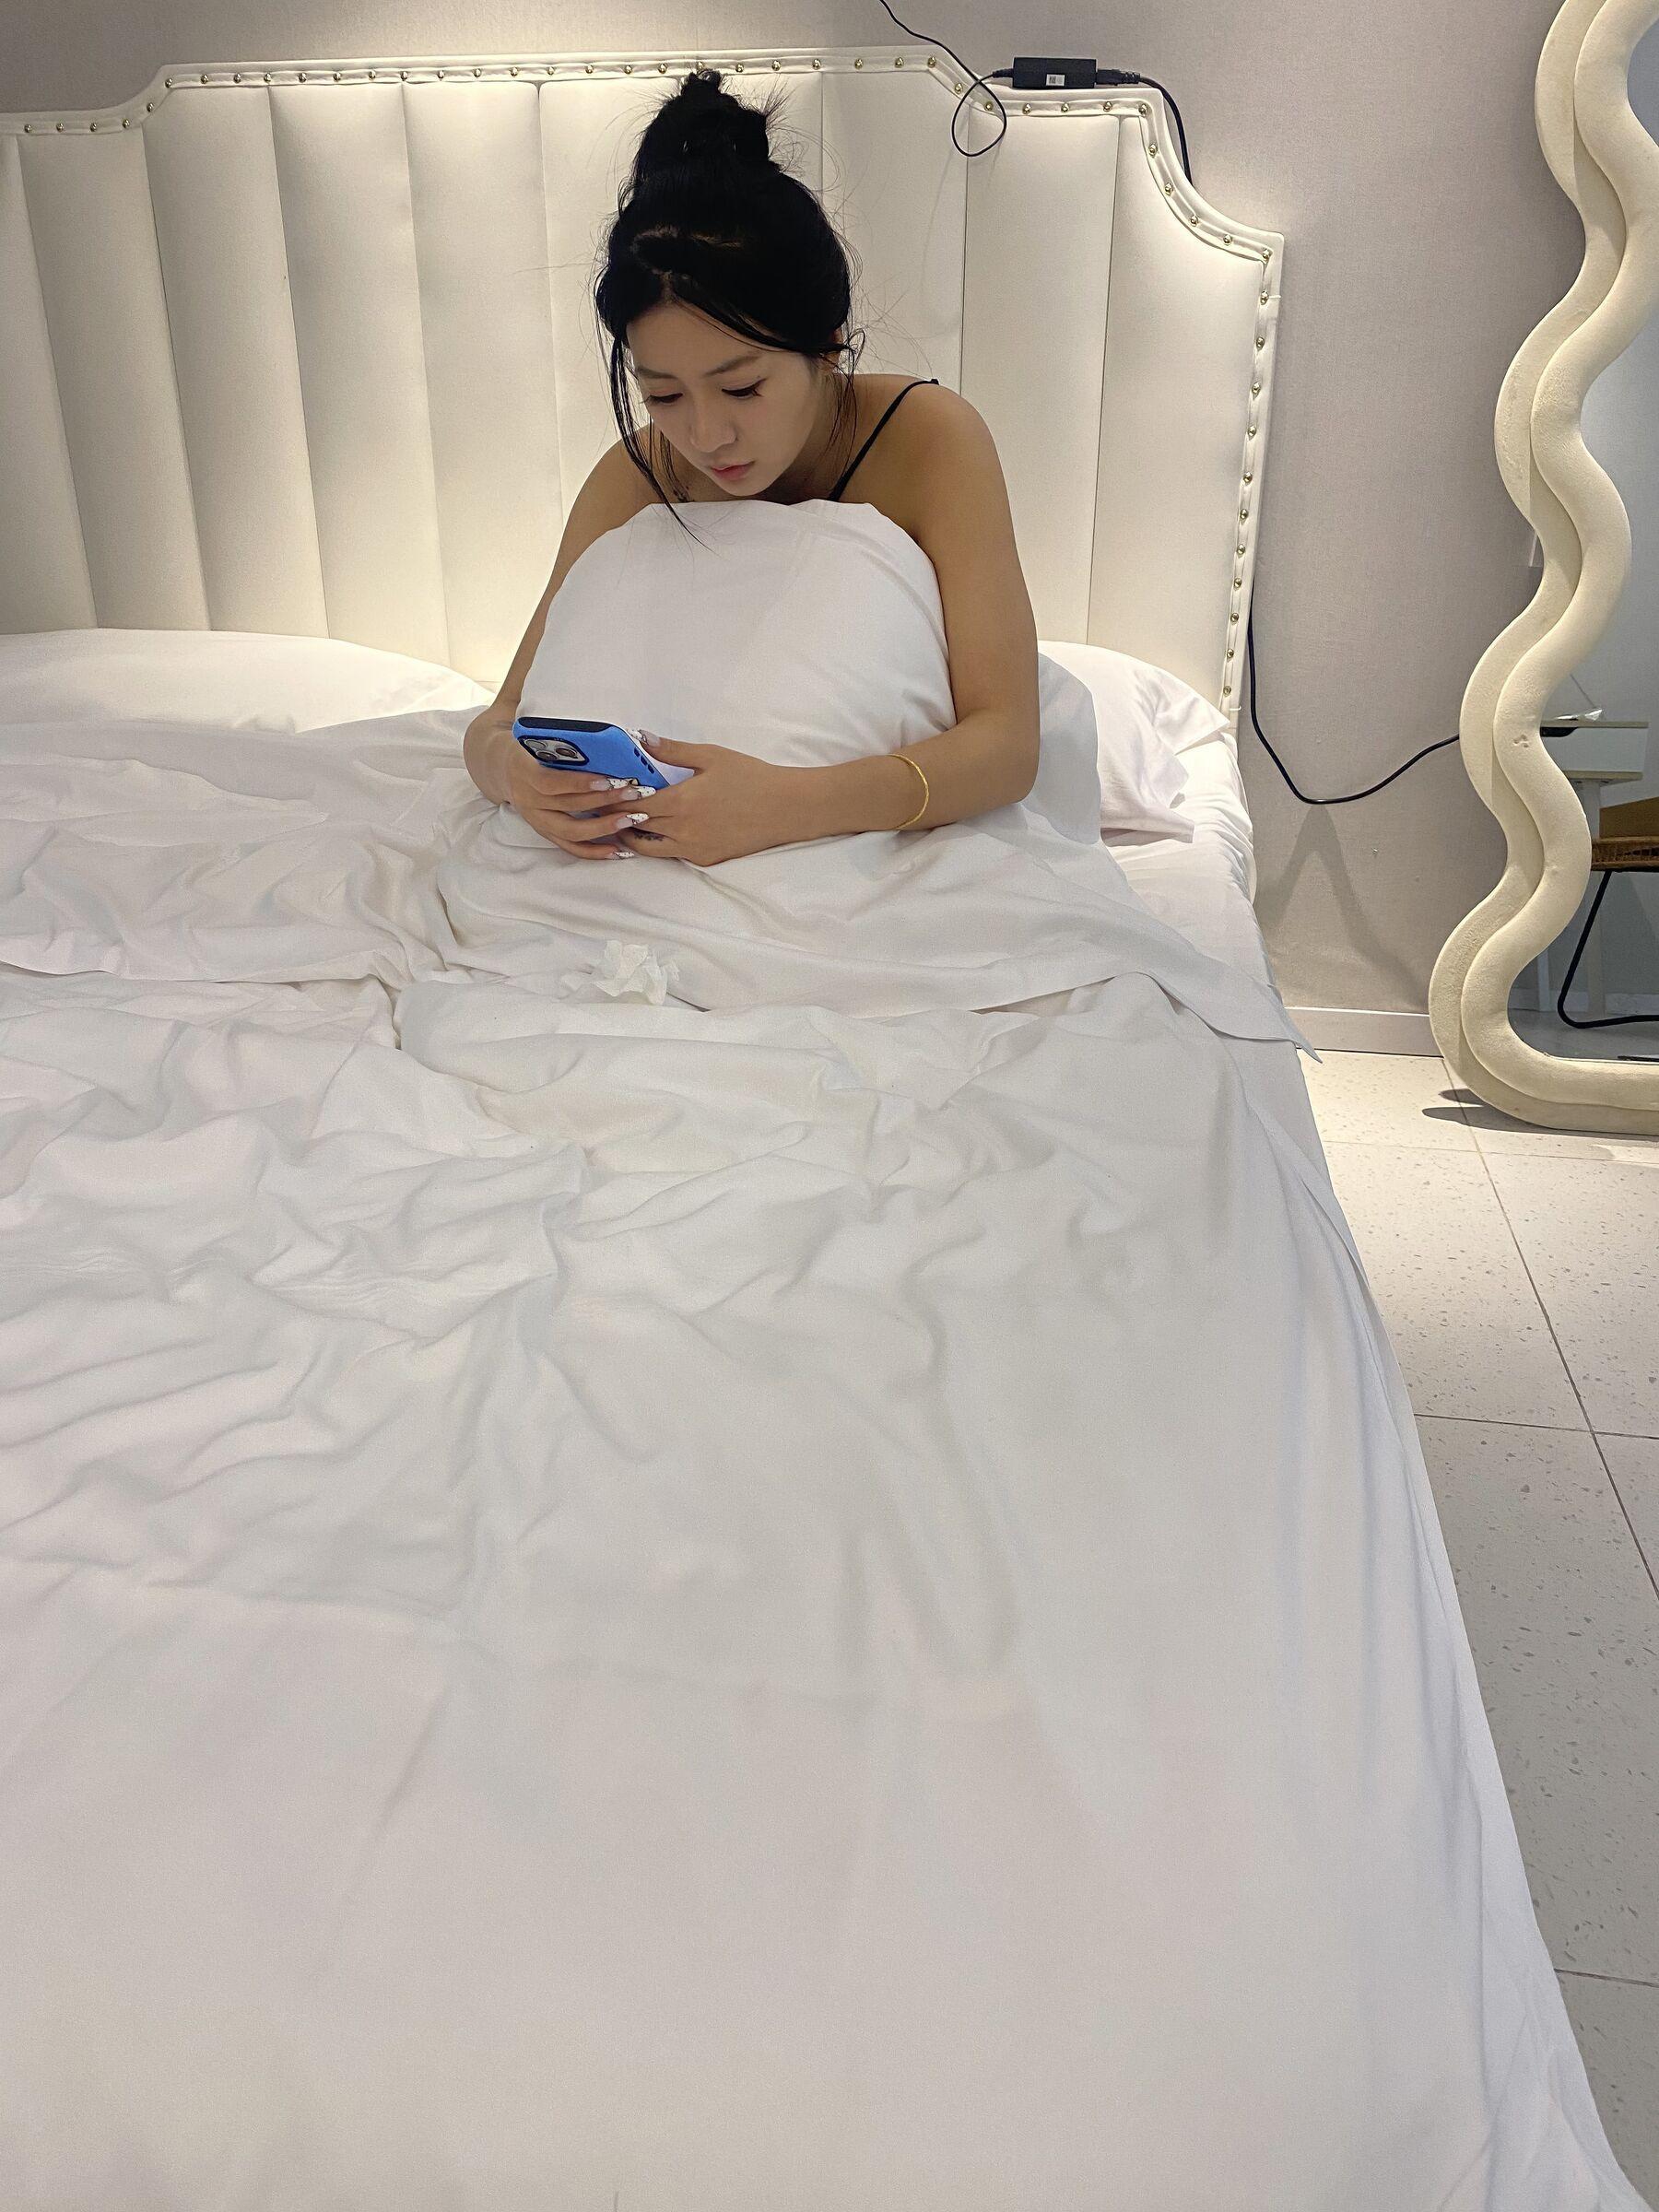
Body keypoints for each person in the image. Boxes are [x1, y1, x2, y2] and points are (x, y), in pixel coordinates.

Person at [464, 65, 1041, 868]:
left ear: (826, 345)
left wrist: (789, 805)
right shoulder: (639, 473)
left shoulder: (929, 441)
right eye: (663, 395)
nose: (706, 435)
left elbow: (1008, 744)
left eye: (742, 388)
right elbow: (497, 720)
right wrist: (517, 778)